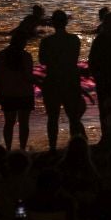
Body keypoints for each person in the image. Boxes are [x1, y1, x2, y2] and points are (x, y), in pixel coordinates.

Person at [38, 10, 85, 150]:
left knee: (52, 118)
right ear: (66, 22)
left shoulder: (46, 41)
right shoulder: (74, 39)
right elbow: (74, 59)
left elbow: (42, 61)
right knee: (73, 118)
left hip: (53, 80)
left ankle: (53, 148)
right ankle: (76, 148)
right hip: (71, 80)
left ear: (53, 23)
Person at [0, 27, 36, 150]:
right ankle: (22, 149)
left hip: (8, 93)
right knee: (24, 124)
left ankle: (8, 149)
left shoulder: (2, 55)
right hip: (25, 93)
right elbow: (28, 76)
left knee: (9, 123)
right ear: (23, 42)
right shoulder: (26, 56)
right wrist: (39, 82)